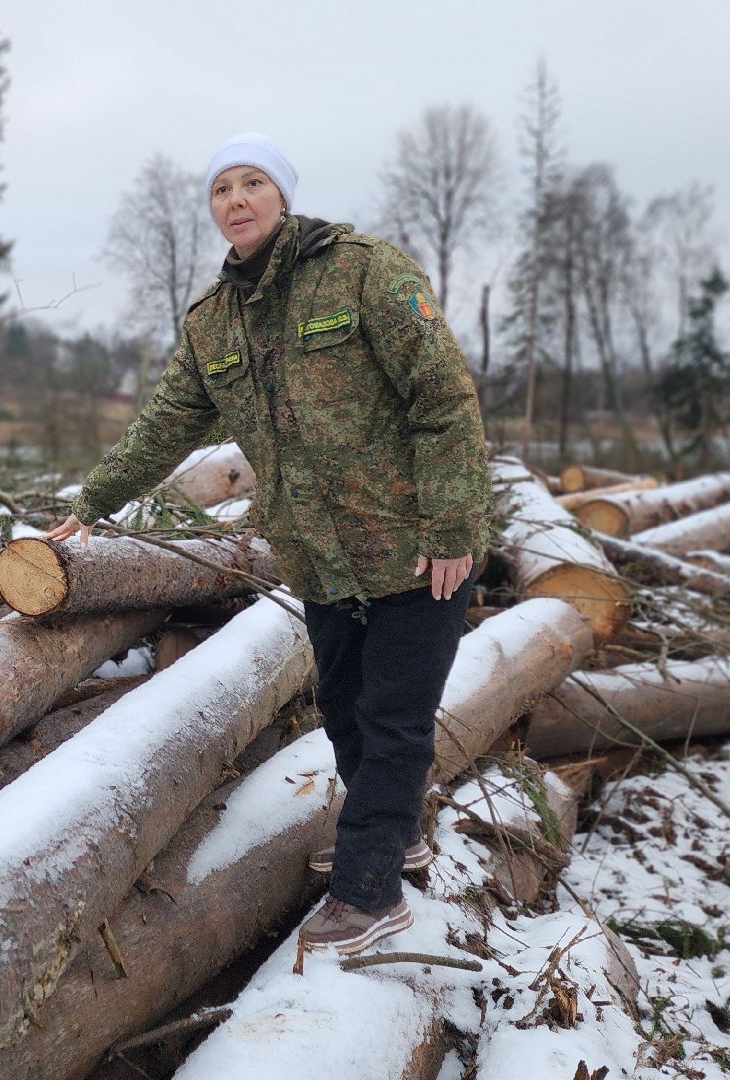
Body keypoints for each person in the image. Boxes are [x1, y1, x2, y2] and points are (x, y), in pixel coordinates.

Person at [45, 132, 492, 956]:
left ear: (282, 194)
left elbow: (444, 397)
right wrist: (93, 503)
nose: (237, 200)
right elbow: (166, 425)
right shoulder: (216, 320)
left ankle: (369, 894)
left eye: (253, 183)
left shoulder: (364, 270)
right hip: (320, 555)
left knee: (395, 718)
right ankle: (394, 833)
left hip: (415, 545)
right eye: (222, 188)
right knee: (347, 712)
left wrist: (455, 525)